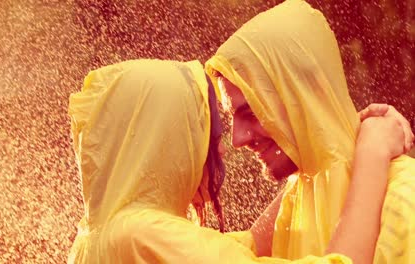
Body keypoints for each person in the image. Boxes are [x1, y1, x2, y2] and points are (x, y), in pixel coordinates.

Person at [67, 58, 408, 263]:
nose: (222, 149)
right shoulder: (143, 235)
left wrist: (305, 157)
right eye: (205, 137)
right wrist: (372, 155)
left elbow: (245, 248)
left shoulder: (96, 239)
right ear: (165, 141)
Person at [205, 0, 415, 263]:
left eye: (253, 112)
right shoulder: (298, 199)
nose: (237, 139)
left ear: (308, 94)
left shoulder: (405, 198)